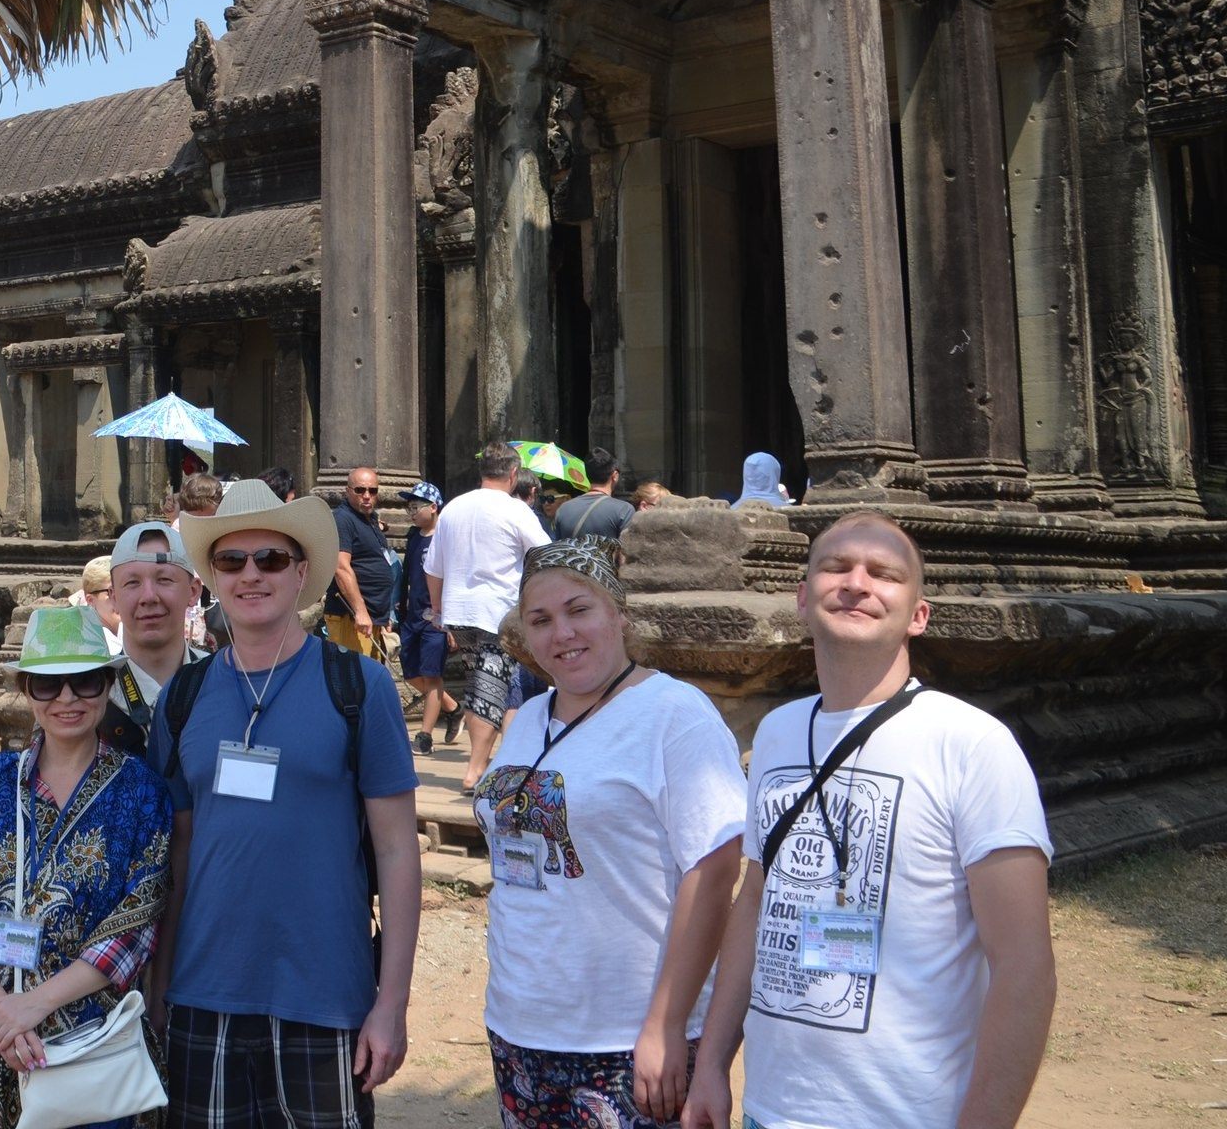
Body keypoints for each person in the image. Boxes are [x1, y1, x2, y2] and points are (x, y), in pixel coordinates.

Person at [681, 514, 1056, 1129]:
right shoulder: (776, 733)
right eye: (836, 567)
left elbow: (1024, 965)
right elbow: (756, 903)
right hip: (772, 1108)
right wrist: (714, 1065)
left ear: (918, 615)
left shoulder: (971, 743)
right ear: (803, 597)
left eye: (884, 574)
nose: (856, 584)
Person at [152, 479, 422, 1129]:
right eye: (231, 560)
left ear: (301, 572)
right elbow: (178, 854)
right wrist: (159, 986)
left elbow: (396, 850)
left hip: (326, 992)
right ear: (212, 578)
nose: (251, 574)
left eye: (270, 558)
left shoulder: (358, 686)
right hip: (203, 991)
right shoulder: (181, 698)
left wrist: (392, 1004)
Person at [472, 538, 746, 1127]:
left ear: (619, 614)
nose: (562, 633)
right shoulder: (530, 719)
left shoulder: (674, 714)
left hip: (626, 1036)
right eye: (540, 620)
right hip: (520, 1024)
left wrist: (665, 1023)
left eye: (579, 610)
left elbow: (714, 871)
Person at [0, 604, 173, 1129]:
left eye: (85, 681)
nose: (67, 699)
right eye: (47, 684)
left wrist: (34, 1005)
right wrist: (3, 1013)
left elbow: (133, 927)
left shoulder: (142, 793)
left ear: (108, 685)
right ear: (27, 691)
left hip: (89, 1038)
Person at [425, 442, 552, 791]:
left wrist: (437, 609)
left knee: (481, 683)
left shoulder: (453, 508)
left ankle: (498, 763)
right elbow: (545, 555)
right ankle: (476, 769)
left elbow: (432, 568)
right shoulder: (515, 510)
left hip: (458, 610)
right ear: (513, 473)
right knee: (491, 688)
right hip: (498, 611)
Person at [101, 520, 207, 757]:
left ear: (193, 591)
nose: (148, 597)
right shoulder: (92, 693)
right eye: (132, 583)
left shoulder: (221, 683)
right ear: (113, 598)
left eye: (164, 580)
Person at [395, 483, 454, 755]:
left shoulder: (445, 539)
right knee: (411, 673)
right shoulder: (413, 536)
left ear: (433, 507)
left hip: (436, 619)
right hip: (413, 615)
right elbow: (407, 575)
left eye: (416, 507)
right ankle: (453, 708)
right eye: (409, 507)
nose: (411, 512)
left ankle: (425, 736)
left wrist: (450, 621)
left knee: (432, 676)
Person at [325, 467, 398, 661]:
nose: (366, 496)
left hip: (372, 618)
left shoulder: (370, 519)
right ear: (348, 491)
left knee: (371, 675)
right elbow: (341, 568)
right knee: (352, 675)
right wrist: (360, 611)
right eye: (360, 490)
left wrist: (383, 615)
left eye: (372, 491)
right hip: (351, 617)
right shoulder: (343, 519)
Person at [171, 472, 229, 650]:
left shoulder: (222, 524)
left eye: (209, 517)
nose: (203, 523)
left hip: (215, 592)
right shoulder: (179, 527)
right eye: (195, 517)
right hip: (192, 594)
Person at [552, 449, 636, 545]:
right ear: (615, 476)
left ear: (586, 474)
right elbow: (627, 551)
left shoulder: (563, 509)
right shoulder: (624, 510)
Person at [81, 555, 125, 653]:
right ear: (90, 601)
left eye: (125, 589)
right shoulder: (89, 645)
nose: (120, 599)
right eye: (110, 592)